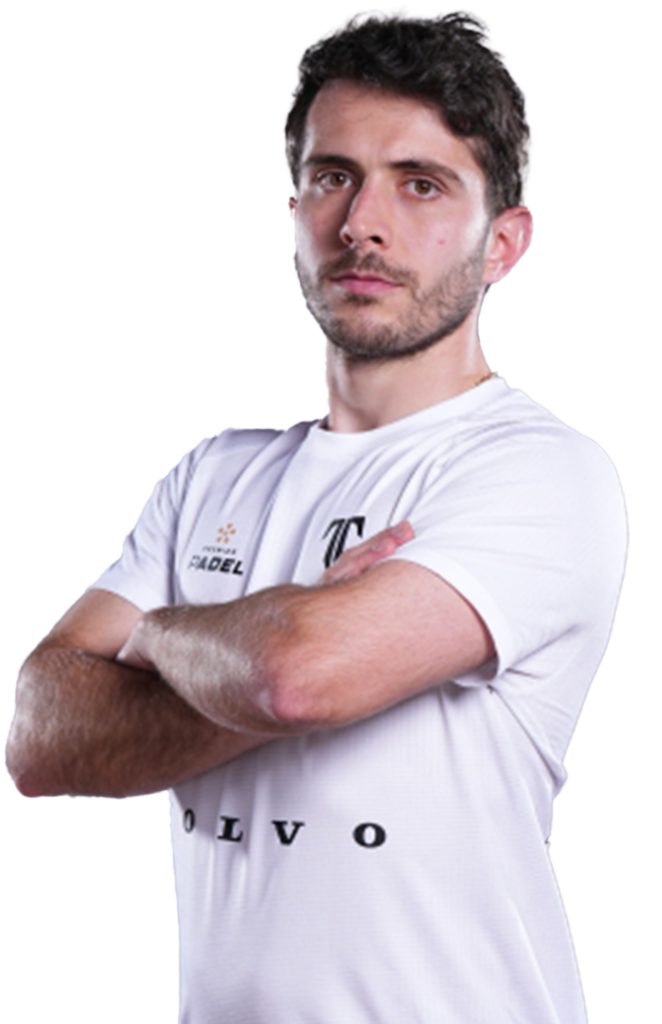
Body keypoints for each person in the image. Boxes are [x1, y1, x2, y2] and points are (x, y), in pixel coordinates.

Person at [6, 5, 628, 1022]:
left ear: (504, 242)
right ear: (294, 208)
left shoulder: (541, 471)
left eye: (420, 184)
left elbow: (298, 678)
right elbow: (40, 740)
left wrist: (154, 640)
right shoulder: (215, 472)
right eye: (335, 176)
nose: (362, 224)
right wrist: (250, 648)